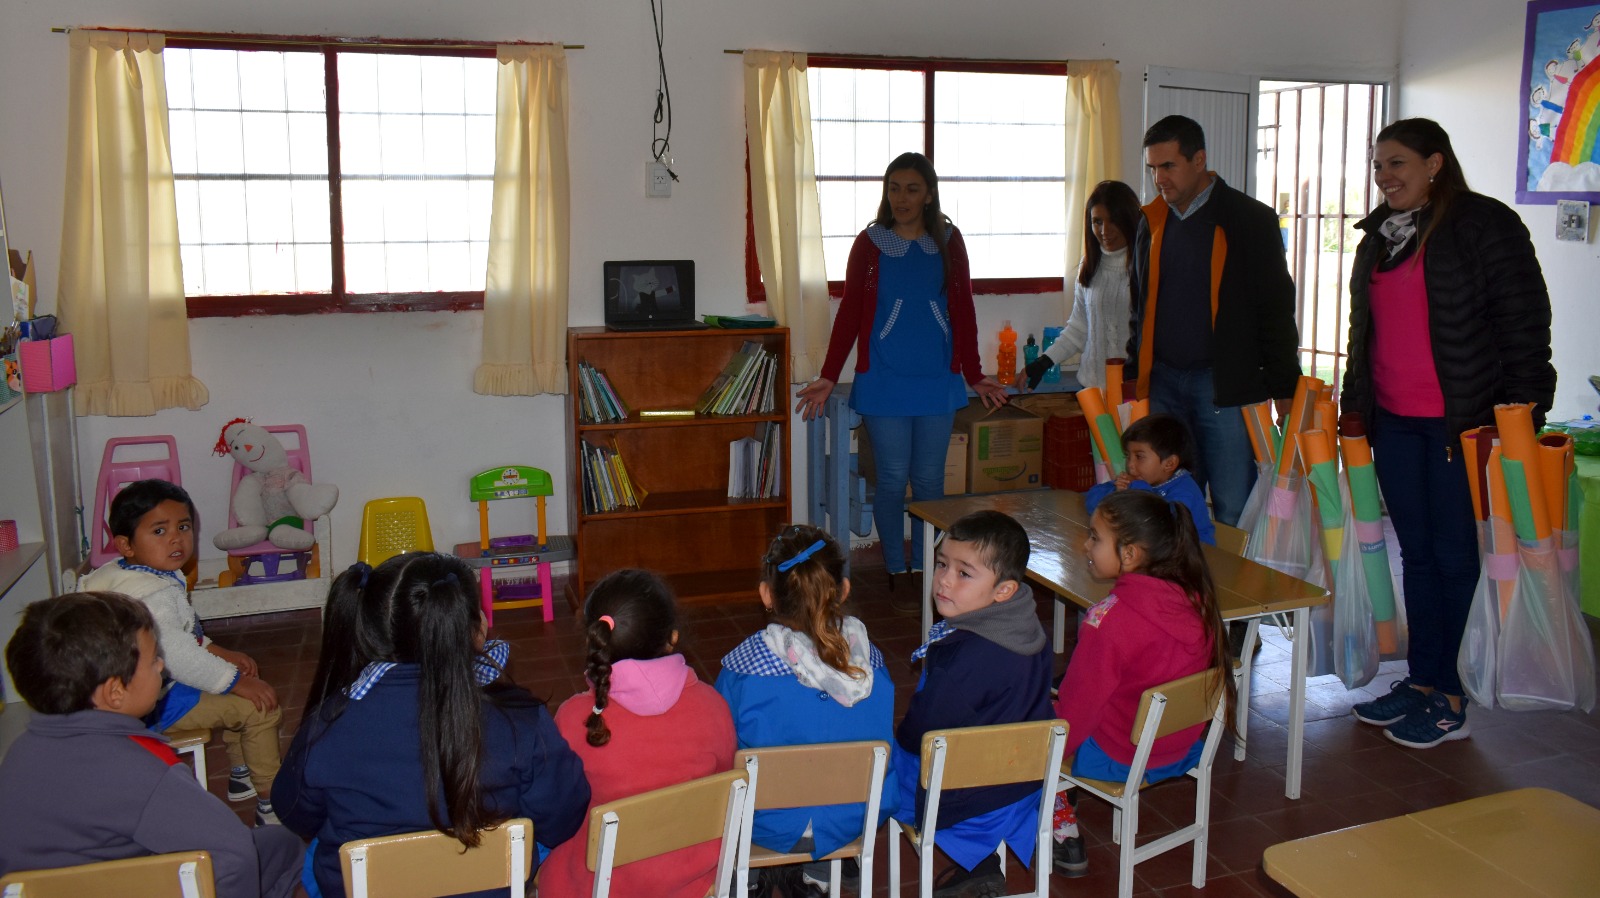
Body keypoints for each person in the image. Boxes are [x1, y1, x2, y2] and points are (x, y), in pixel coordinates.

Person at [1342, 117, 1556, 749]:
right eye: (1378, 166)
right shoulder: (1378, 239)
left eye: (1397, 164)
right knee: (1419, 556)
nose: (1384, 177)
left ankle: (1452, 696)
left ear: (1435, 164)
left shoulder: (1484, 226)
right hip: (1395, 424)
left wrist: (1521, 417)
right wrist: (1356, 409)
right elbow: (1362, 338)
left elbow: (1524, 324)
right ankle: (1422, 679)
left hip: (1460, 425)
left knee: (1456, 558)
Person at [273, 553, 589, 898]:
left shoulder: (327, 724)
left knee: (317, 855)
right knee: (531, 840)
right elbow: (562, 818)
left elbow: (295, 813)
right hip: (488, 887)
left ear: (368, 629)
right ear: (475, 629)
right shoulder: (521, 719)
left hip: (365, 886)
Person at [794, 152, 1009, 608]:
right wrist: (829, 375)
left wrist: (975, 374)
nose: (902, 198)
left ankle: (931, 569)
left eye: (912, 189)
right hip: (883, 381)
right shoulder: (870, 244)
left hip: (937, 381)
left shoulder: (949, 241)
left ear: (929, 194)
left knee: (930, 483)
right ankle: (897, 567)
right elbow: (850, 311)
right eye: (894, 188)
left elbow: (963, 311)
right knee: (891, 480)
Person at [0, 592, 301, 898]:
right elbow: (235, 855)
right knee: (281, 844)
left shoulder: (17, 756)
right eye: (154, 660)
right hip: (143, 886)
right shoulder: (146, 769)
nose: (162, 666)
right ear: (115, 692)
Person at [1127, 114, 1302, 527]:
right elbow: (1139, 306)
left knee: (1232, 505)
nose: (1159, 179)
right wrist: (1135, 372)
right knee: (1169, 503)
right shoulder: (1151, 220)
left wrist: (1284, 386)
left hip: (1225, 386)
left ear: (1199, 160)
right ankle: (1181, 572)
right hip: (1164, 382)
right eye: (1152, 168)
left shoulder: (1250, 220)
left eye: (1168, 166)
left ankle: (1231, 573)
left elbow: (1276, 310)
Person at [1048, 490, 1232, 875]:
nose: (1086, 545)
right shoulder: (1196, 601)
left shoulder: (1108, 621)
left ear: (1130, 554)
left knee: (1021, 709)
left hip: (1121, 756)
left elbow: (1077, 714)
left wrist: (1045, 749)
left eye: (1095, 537)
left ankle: (1057, 816)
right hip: (1179, 746)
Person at [79, 479, 282, 825]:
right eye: (159, 530)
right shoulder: (153, 594)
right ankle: (270, 804)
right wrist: (234, 681)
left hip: (114, 701)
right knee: (258, 706)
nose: (176, 539)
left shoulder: (117, 575)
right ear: (125, 544)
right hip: (148, 707)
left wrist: (218, 651)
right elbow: (177, 656)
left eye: (183, 527)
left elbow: (176, 635)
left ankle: (242, 774)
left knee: (237, 680)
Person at [715, 525, 899, 895]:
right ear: (842, 591)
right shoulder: (873, 666)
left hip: (765, 824)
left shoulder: (742, 671)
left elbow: (719, 749)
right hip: (852, 817)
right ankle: (821, 869)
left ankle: (747, 875)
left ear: (767, 595)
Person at [541, 569, 736, 898]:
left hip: (601, 885)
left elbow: (559, 806)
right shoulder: (713, 706)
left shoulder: (574, 718)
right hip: (692, 882)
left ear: (595, 641)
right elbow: (723, 780)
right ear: (672, 637)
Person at [893, 510, 1053, 897]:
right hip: (1022, 785)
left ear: (1003, 590)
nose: (944, 580)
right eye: (942, 564)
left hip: (970, 801)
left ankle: (838, 853)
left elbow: (921, 734)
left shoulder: (962, 662)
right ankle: (980, 867)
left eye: (964, 573)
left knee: (878, 763)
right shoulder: (1029, 627)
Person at [1023, 180, 1143, 391]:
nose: (1105, 230)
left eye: (1113, 220)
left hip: (1135, 389)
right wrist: (1043, 362)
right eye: (1097, 221)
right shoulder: (1088, 267)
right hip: (1092, 388)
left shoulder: (1147, 266)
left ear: (1129, 219)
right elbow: (1078, 329)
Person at [1084, 413, 1217, 546]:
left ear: (1169, 463)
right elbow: (1091, 501)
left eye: (1139, 457)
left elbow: (1156, 529)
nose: (1130, 464)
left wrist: (1134, 491)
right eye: (1128, 456)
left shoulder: (1185, 492)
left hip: (1192, 553)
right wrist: (1116, 493)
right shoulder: (1140, 480)